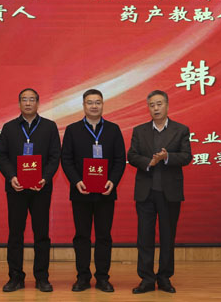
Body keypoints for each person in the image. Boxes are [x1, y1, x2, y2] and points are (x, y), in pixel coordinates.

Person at [0, 88, 61, 292]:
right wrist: (11, 177)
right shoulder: (9, 127)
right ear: (19, 103)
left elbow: (55, 156)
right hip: (16, 188)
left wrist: (44, 178)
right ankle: (15, 277)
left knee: (42, 234)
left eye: (32, 99)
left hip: (41, 188)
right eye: (24, 99)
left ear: (38, 103)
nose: (28, 103)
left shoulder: (49, 127)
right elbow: (1, 155)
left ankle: (42, 277)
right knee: (15, 234)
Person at [61, 89, 126, 293]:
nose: (94, 106)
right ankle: (82, 277)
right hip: (81, 192)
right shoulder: (72, 130)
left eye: (98, 102)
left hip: (106, 192)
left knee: (104, 236)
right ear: (83, 105)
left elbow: (120, 160)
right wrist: (76, 181)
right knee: (82, 236)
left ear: (103, 104)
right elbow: (66, 159)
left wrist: (113, 181)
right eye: (90, 102)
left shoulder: (113, 129)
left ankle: (102, 278)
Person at [127, 90, 191, 294]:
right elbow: (132, 155)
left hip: (169, 192)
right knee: (144, 237)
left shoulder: (181, 130)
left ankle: (164, 278)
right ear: (148, 108)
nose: (155, 108)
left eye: (159, 104)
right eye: (152, 105)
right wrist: (150, 162)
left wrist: (167, 157)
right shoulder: (139, 131)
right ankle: (146, 279)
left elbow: (186, 156)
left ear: (167, 105)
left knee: (167, 237)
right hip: (145, 193)